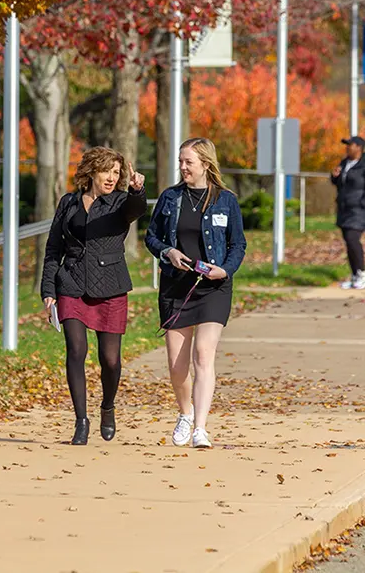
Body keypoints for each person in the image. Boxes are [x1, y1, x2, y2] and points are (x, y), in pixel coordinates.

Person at [41, 146, 147, 446]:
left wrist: (138, 190)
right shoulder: (69, 203)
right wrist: (48, 290)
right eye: (106, 171)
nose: (112, 177)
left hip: (111, 286)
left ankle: (107, 406)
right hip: (71, 283)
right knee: (76, 350)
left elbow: (136, 210)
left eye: (116, 172)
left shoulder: (121, 202)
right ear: (91, 171)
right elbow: (53, 248)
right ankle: (81, 421)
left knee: (110, 360)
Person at [146, 138, 247, 449]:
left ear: (205, 163)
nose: (182, 167)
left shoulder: (225, 200)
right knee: (177, 365)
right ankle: (185, 413)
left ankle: (201, 428)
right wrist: (167, 252)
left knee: (203, 353)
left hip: (213, 287)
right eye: (180, 161)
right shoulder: (170, 197)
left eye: (188, 161)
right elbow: (151, 236)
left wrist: (225, 270)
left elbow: (238, 244)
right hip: (176, 286)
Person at [331, 136, 365, 290]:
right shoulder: (345, 163)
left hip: (359, 208)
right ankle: (355, 274)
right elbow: (340, 183)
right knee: (348, 240)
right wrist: (334, 176)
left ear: (359, 148)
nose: (347, 148)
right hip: (345, 207)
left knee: (352, 238)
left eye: (350, 145)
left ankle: (362, 272)